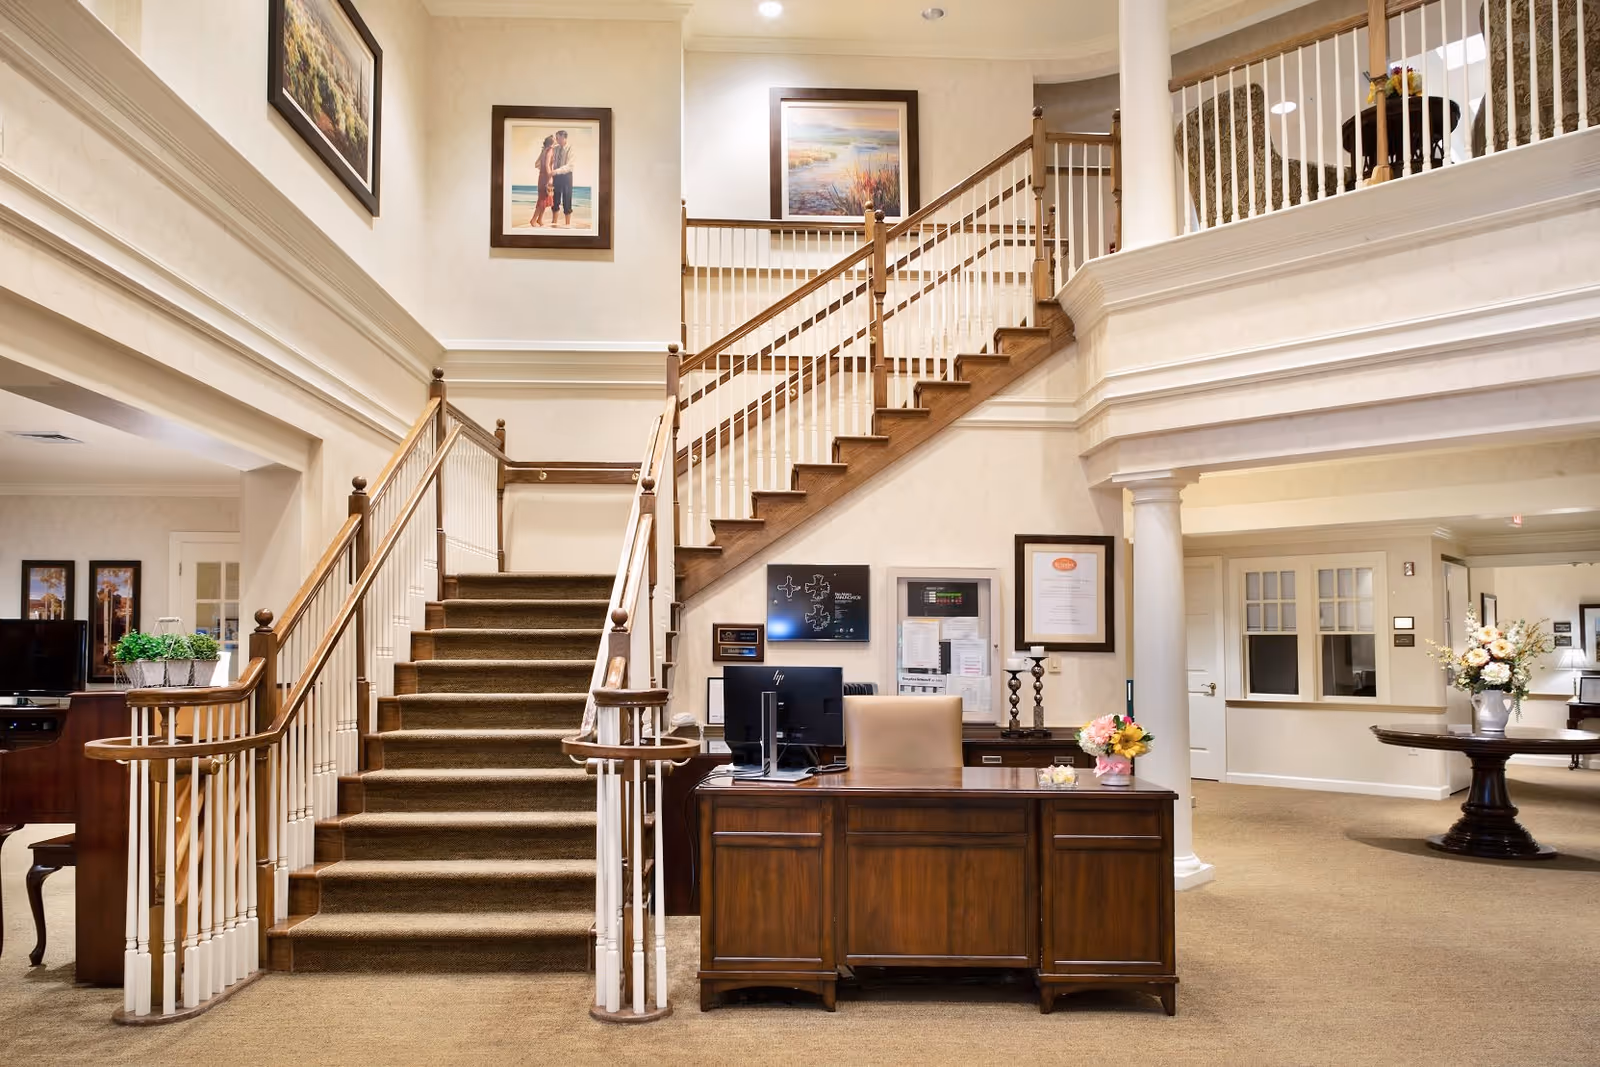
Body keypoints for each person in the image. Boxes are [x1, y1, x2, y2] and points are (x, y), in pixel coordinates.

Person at [550, 129, 575, 227]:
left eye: (558, 138)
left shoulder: (570, 149)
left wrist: (555, 171)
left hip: (566, 176)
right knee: (555, 199)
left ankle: (567, 224)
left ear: (564, 138)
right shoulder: (555, 148)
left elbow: (570, 166)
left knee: (567, 199)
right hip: (556, 176)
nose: (556, 140)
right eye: (556, 138)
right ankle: (554, 223)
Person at [531, 134, 555, 227]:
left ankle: (540, 219)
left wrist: (543, 172)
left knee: (544, 198)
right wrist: (550, 177)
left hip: (541, 176)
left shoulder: (543, 150)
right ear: (552, 142)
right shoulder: (550, 150)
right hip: (546, 176)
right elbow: (547, 165)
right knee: (542, 199)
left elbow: (536, 164)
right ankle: (533, 220)